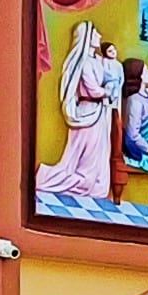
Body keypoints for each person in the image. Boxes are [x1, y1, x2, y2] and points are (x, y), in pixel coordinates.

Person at [42, 19, 118, 203]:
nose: (99, 36)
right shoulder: (84, 63)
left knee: (96, 156)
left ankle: (94, 186)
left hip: (98, 113)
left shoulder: (96, 61)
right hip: (88, 112)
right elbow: (93, 89)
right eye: (95, 33)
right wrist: (106, 91)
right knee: (85, 158)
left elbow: (111, 75)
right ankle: (51, 179)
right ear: (86, 38)